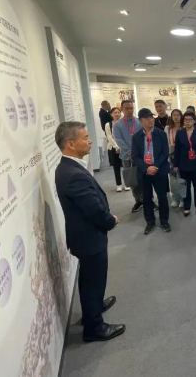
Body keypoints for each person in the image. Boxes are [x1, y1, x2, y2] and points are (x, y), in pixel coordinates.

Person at [54, 122, 125, 342]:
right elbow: (93, 210)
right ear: (71, 143)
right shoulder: (72, 173)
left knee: (89, 278)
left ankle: (92, 308)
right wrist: (110, 220)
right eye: (85, 138)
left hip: (84, 236)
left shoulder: (69, 166)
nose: (90, 141)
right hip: (89, 237)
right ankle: (94, 328)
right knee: (94, 279)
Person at [131, 108, 171, 235]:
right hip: (144, 172)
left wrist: (154, 166)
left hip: (159, 170)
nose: (151, 120)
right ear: (141, 120)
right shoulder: (136, 137)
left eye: (152, 117)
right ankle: (150, 222)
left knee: (162, 197)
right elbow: (135, 156)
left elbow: (165, 152)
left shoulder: (161, 134)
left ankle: (164, 221)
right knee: (146, 198)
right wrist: (146, 168)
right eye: (147, 118)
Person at [112, 100, 144, 213]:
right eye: (127, 108)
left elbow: (143, 137)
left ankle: (147, 199)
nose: (129, 110)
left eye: (131, 108)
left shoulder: (139, 122)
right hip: (126, 156)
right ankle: (138, 200)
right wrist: (130, 150)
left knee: (143, 178)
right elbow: (118, 140)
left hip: (140, 155)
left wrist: (137, 151)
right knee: (132, 179)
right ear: (122, 109)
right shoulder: (117, 125)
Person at [173, 111, 196, 216]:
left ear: (194, 121)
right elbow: (177, 150)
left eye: (190, 120)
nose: (187, 122)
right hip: (183, 165)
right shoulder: (180, 133)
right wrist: (175, 164)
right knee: (185, 187)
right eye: (185, 120)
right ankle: (187, 207)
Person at [104, 107, 128, 192]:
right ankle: (119, 184)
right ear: (111, 114)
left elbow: (126, 136)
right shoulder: (108, 124)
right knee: (116, 166)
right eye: (115, 113)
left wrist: (122, 147)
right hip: (113, 148)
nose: (117, 114)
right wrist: (117, 147)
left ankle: (127, 183)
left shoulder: (124, 123)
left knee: (126, 166)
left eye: (118, 112)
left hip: (124, 148)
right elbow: (109, 137)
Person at [165, 108, 184, 208]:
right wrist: (171, 146)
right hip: (171, 156)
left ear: (181, 116)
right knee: (172, 178)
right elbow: (165, 142)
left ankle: (182, 199)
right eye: (174, 115)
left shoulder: (184, 128)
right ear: (171, 117)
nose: (176, 117)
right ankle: (175, 198)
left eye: (178, 115)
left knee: (182, 178)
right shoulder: (168, 128)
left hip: (182, 156)